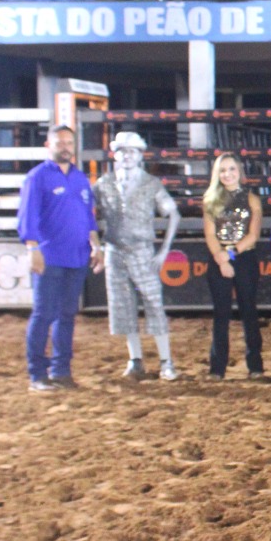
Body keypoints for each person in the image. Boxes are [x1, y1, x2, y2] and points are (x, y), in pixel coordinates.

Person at [18, 125, 103, 392]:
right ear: (48, 145)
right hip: (49, 257)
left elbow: (89, 218)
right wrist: (33, 250)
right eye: (60, 142)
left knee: (67, 315)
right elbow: (27, 217)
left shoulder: (80, 179)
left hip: (77, 257)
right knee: (44, 314)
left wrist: (96, 246)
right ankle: (37, 375)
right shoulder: (37, 177)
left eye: (69, 142)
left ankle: (61, 371)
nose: (65, 147)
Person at [93, 131, 180, 382]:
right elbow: (88, 210)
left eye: (132, 151)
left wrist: (164, 250)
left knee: (154, 304)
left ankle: (166, 361)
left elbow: (173, 214)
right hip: (115, 251)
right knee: (123, 306)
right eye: (122, 151)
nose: (127, 156)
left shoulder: (151, 184)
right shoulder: (104, 183)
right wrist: (95, 242)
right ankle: (135, 360)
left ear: (140, 156)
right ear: (116, 155)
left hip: (142, 250)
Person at [202, 152, 265, 381]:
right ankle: (217, 368)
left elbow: (253, 235)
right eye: (222, 170)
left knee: (249, 311)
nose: (227, 174)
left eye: (231, 169)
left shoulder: (251, 198)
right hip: (218, 259)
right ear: (217, 174)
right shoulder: (210, 199)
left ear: (239, 171)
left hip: (244, 258)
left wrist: (230, 255)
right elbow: (210, 233)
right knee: (221, 314)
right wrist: (220, 257)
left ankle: (256, 366)